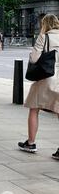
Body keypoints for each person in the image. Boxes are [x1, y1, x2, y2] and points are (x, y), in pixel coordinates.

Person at [18, 14, 59, 160]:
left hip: (46, 78)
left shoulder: (44, 37)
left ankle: (31, 143)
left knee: (34, 109)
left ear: (45, 24)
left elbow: (34, 58)